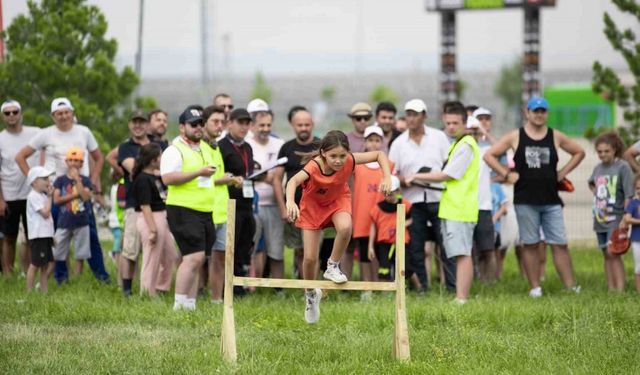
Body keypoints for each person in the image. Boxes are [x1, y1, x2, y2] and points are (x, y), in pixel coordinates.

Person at [285, 130, 391, 324]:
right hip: (313, 206)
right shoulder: (314, 165)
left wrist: (386, 177)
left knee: (345, 227)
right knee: (309, 258)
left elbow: (379, 155)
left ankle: (332, 265)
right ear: (323, 153)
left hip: (337, 200)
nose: (338, 161)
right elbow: (293, 181)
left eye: (342, 156)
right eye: (333, 156)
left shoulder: (350, 160)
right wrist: (290, 202)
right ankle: (310, 294)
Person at [484, 96, 585, 297]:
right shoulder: (516, 136)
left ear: (546, 113)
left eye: (542, 111)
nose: (539, 115)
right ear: (527, 113)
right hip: (525, 200)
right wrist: (505, 174)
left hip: (551, 199)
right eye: (535, 111)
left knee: (560, 243)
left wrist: (562, 173)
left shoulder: (555, 136)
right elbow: (489, 155)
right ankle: (535, 287)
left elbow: (579, 152)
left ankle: (570, 286)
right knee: (530, 244)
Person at [16, 97, 109, 283]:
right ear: (53, 116)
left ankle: (102, 277)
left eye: (67, 112)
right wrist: (34, 180)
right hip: (56, 191)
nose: (63, 116)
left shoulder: (84, 132)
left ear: (72, 113)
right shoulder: (46, 134)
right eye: (59, 113)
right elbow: (21, 156)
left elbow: (99, 157)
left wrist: (93, 179)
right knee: (57, 238)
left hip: (81, 192)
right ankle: (61, 278)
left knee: (90, 235)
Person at [406, 111, 481, 304]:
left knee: (462, 254)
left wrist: (416, 176)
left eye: (455, 122)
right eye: (448, 123)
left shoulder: (465, 145)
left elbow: (448, 174)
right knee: (458, 253)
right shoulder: (458, 144)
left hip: (461, 208)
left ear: (465, 123)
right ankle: (459, 294)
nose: (451, 126)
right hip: (453, 207)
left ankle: (462, 297)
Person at [388, 99, 455, 293]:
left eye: (415, 114)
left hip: (440, 199)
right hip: (413, 200)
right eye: (408, 114)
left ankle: (451, 287)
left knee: (446, 245)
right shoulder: (398, 144)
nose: (411, 118)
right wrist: (403, 179)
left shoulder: (439, 137)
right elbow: (393, 173)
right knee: (416, 247)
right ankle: (422, 288)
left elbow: (448, 165)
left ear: (424, 116)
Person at [161, 106, 217, 310]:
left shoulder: (203, 148)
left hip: (204, 210)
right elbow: (167, 178)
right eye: (194, 124)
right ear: (182, 127)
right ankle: (179, 304)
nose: (199, 127)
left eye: (201, 123)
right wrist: (198, 172)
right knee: (193, 257)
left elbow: (206, 177)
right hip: (182, 208)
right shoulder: (174, 149)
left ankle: (190, 305)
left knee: (198, 259)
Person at [272, 107, 320, 278]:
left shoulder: (321, 146)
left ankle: (314, 287)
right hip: (295, 209)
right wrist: (283, 208)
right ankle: (305, 288)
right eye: (300, 125)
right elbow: (277, 179)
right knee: (300, 250)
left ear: (312, 124)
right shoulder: (286, 148)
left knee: (313, 252)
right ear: (293, 125)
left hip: (317, 210)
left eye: (307, 124)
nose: (304, 128)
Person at [202, 105, 242, 303]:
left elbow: (217, 177)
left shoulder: (216, 146)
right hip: (204, 210)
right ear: (203, 123)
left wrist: (231, 179)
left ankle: (216, 299)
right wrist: (223, 179)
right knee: (197, 258)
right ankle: (187, 299)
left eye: (221, 122)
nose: (219, 126)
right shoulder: (198, 147)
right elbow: (198, 178)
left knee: (220, 258)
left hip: (222, 210)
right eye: (214, 122)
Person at [589, 131, 633, 291]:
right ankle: (611, 288)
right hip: (600, 217)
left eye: (606, 151)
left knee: (613, 251)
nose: (602, 155)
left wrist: (625, 218)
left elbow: (629, 193)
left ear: (614, 149)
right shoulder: (598, 168)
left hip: (616, 216)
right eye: (599, 152)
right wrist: (596, 192)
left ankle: (620, 289)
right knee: (605, 253)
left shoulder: (623, 167)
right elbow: (591, 183)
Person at [352, 125, 393, 299]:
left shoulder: (389, 166)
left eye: (377, 140)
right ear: (365, 143)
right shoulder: (358, 166)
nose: (374, 144)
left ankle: (380, 284)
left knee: (380, 251)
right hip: (362, 215)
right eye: (371, 140)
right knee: (364, 254)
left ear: (382, 143)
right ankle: (366, 287)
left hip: (382, 217)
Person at [0, 99, 40, 275]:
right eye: (7, 113)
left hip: (32, 194)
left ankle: (28, 272)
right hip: (9, 195)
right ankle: (8, 272)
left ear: (21, 114)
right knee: (9, 236)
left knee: (32, 237)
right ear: (3, 117)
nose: (11, 116)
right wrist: (0, 199)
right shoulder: (0, 138)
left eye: (15, 112)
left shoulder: (36, 133)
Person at [246, 103, 285, 282]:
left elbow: (281, 173)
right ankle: (249, 284)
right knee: (249, 248)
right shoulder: (246, 145)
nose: (265, 129)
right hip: (252, 204)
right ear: (252, 125)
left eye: (269, 125)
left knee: (276, 250)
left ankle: (278, 288)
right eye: (261, 125)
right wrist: (263, 178)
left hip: (275, 204)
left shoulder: (279, 144)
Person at [131, 143, 177, 296]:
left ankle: (161, 287)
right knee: (152, 258)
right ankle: (146, 292)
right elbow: (145, 206)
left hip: (161, 217)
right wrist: (152, 229)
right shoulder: (143, 179)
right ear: (153, 160)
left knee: (171, 255)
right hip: (151, 219)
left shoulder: (156, 176)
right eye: (160, 156)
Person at [218, 108, 256, 295]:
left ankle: (239, 284)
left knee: (244, 244)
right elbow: (219, 175)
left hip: (247, 202)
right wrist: (233, 179)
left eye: (247, 123)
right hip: (229, 203)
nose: (244, 126)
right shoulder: (221, 146)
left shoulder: (247, 147)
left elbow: (248, 170)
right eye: (240, 122)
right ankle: (227, 286)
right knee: (229, 246)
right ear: (229, 123)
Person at [52, 147, 93, 281]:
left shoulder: (85, 180)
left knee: (80, 254)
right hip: (64, 221)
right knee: (57, 252)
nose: (74, 163)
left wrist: (77, 180)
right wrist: (75, 195)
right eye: (71, 160)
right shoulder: (60, 180)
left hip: (82, 221)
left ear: (82, 163)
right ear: (66, 162)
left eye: (77, 160)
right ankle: (60, 277)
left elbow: (86, 197)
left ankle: (77, 279)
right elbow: (56, 200)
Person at [367, 175, 411, 281]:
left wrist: (402, 225)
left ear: (398, 191)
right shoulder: (378, 208)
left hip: (401, 242)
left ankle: (418, 288)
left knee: (405, 267)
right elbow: (373, 226)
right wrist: (370, 247)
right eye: (386, 193)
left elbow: (412, 219)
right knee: (384, 268)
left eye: (391, 193)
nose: (389, 196)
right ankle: (385, 294)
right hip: (384, 243)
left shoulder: (405, 204)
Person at [25, 166, 55, 293]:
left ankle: (44, 291)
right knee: (35, 264)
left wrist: (51, 236)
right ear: (34, 182)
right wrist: (50, 197)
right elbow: (46, 213)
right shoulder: (33, 196)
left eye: (48, 178)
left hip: (45, 235)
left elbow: (48, 220)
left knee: (45, 265)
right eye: (44, 178)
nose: (48, 181)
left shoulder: (42, 195)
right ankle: (29, 291)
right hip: (38, 236)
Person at [622, 175, 640, 292]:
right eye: (638, 188)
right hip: (637, 240)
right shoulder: (633, 203)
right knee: (639, 266)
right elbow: (627, 219)